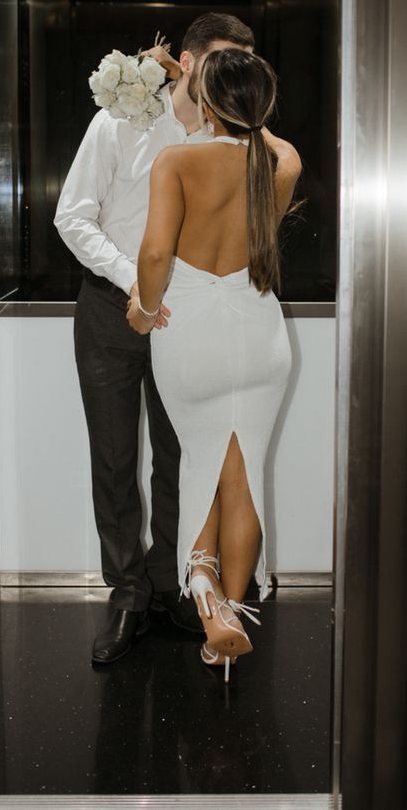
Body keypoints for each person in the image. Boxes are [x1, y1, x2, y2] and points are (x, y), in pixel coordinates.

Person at [54, 13, 255, 664]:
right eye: (222, 63)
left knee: (180, 459)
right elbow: (74, 217)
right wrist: (136, 285)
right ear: (188, 62)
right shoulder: (122, 119)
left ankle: (171, 587)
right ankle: (127, 593)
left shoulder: (230, 136)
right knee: (113, 461)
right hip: (113, 312)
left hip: (187, 320)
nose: (232, 78)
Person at [127, 47, 301, 681]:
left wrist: (144, 312)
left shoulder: (175, 160)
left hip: (192, 330)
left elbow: (153, 255)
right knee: (242, 475)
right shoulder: (279, 162)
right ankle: (229, 610)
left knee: (201, 463)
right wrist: (244, 106)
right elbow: (267, 141)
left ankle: (210, 608)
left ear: (205, 103)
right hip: (259, 332)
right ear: (263, 106)